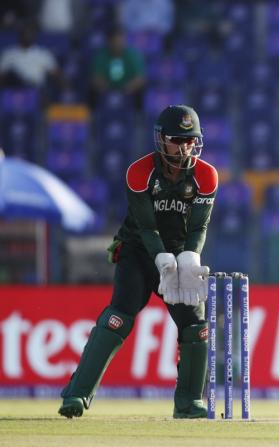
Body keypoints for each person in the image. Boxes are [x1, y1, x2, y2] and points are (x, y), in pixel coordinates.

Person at [58, 105, 218, 419]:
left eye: (190, 140)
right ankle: (76, 395)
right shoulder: (140, 171)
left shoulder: (206, 175)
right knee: (118, 319)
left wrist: (188, 257)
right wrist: (162, 261)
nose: (185, 147)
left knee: (196, 327)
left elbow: (199, 226)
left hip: (179, 253)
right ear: (162, 139)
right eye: (178, 139)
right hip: (138, 253)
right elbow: (147, 227)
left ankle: (188, 403)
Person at [90, 27, 146, 109]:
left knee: (141, 92)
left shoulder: (133, 55)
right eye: (114, 42)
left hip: (128, 90)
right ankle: (94, 117)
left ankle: (138, 118)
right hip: (106, 90)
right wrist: (107, 88)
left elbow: (140, 78)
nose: (117, 44)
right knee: (92, 91)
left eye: (120, 41)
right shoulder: (101, 55)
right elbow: (96, 78)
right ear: (109, 42)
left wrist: (128, 88)